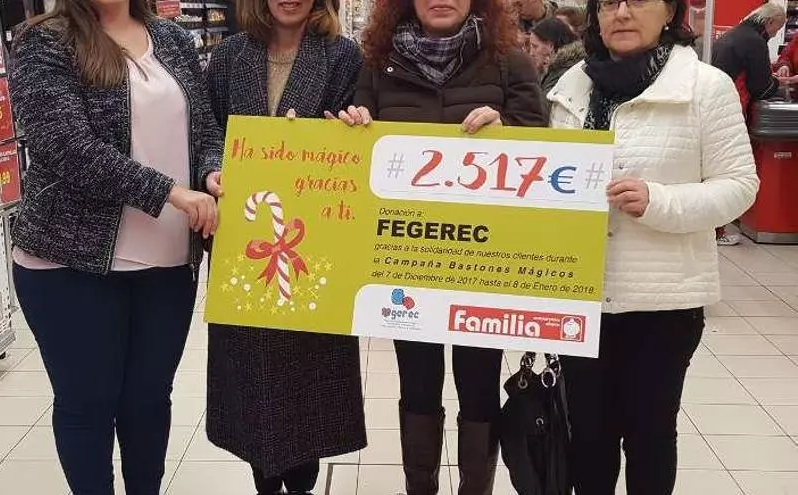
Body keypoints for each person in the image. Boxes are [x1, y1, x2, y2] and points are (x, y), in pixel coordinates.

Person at [7, 0, 221, 492]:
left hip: (168, 263)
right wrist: (171, 192)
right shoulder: (46, 41)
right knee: (88, 404)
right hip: (70, 263)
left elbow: (206, 130)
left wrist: (212, 171)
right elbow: (67, 148)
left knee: (148, 403)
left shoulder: (172, 39)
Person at [547, 0, 759, 493]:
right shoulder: (572, 84)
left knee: (650, 435)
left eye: (638, 0)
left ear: (669, 12)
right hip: (580, 296)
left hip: (662, 302)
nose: (621, 13)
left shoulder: (704, 87)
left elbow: (739, 186)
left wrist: (659, 201)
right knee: (589, 437)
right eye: (608, 3)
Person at [339, 0, 546, 492]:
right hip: (407, 259)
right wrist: (353, 127)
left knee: (479, 386)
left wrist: (508, 132)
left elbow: (543, 146)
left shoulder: (508, 60)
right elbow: (358, 156)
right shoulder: (379, 63)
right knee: (417, 386)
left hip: (485, 259)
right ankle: (420, 486)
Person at [203, 0, 366, 493]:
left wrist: (346, 127)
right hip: (246, 239)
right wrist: (210, 169)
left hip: (312, 245)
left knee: (306, 381)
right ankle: (264, 481)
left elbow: (359, 137)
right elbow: (206, 131)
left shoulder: (341, 56)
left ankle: (302, 483)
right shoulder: (229, 56)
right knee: (251, 379)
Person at [711, 1, 785, 246]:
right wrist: (780, 84)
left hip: (717, 108)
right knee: (727, 170)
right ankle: (717, 232)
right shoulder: (754, 41)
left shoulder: (734, 34)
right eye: (777, 28)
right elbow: (760, 87)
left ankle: (714, 229)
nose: (775, 33)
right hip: (733, 110)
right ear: (769, 22)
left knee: (713, 167)